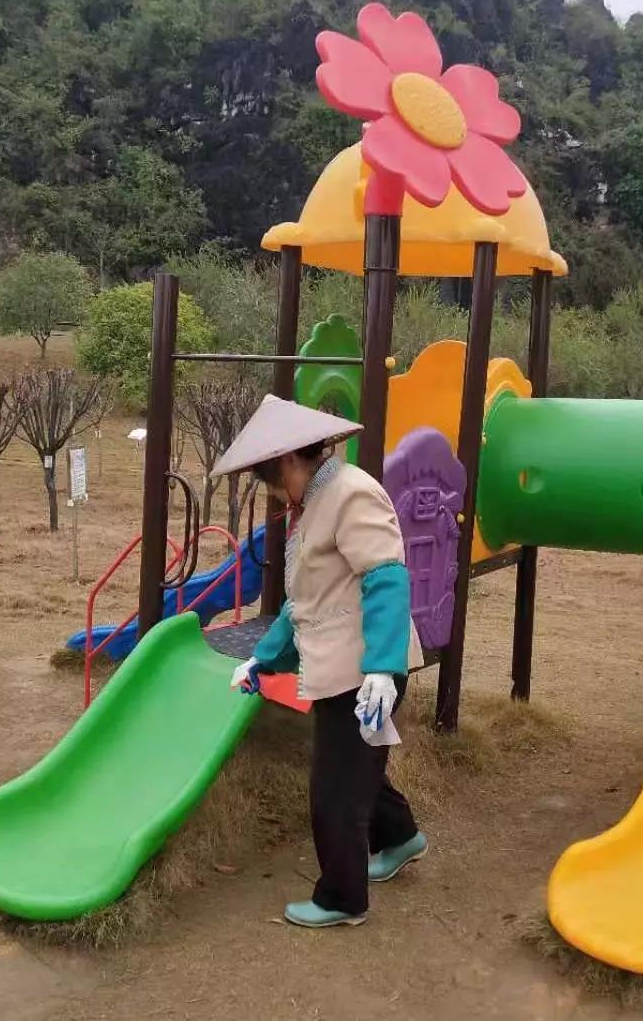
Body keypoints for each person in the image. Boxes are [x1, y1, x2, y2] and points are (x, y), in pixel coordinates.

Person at [211, 395, 426, 928]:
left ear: (289, 459)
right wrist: (262, 660)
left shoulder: (351, 494)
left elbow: (386, 577)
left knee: (335, 788)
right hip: (341, 666)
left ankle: (341, 899)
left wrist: (382, 668)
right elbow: (305, 602)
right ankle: (400, 838)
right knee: (358, 769)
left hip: (363, 673)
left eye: (273, 482)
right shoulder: (317, 503)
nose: (277, 494)